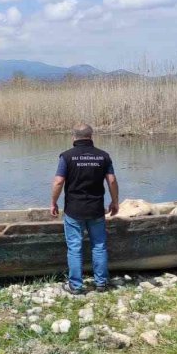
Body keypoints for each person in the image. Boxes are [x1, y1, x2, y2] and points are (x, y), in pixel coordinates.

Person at [50, 123, 119, 294]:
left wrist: (53, 202)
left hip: (74, 210)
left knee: (74, 247)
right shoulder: (103, 156)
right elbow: (111, 180)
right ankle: (101, 283)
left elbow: (58, 182)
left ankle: (76, 285)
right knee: (99, 246)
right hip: (96, 209)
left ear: (74, 137)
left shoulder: (67, 157)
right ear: (91, 136)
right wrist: (114, 201)